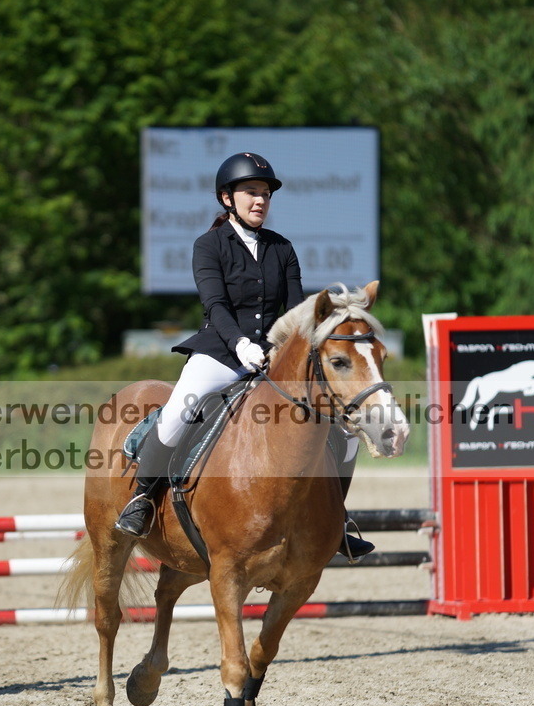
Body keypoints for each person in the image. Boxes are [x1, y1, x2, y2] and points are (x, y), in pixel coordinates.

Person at [115, 151, 374, 561]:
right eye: (251, 192)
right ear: (227, 198)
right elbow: (215, 305)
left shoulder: (282, 249)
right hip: (220, 351)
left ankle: (336, 517)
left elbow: (294, 312)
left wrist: (281, 351)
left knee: (341, 429)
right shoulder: (208, 245)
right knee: (181, 408)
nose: (260, 201)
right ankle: (143, 498)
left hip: (273, 358)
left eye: (266, 194)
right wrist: (239, 343)